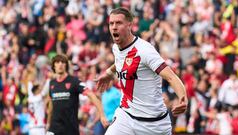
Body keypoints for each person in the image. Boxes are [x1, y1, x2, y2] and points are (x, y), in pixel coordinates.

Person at [96, 7, 188, 135]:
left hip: (154, 124)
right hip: (126, 116)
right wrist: (109, 74)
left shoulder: (144, 50)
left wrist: (183, 97)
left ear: (130, 25)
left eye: (119, 23)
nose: (114, 27)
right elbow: (120, 62)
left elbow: (171, 77)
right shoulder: (116, 48)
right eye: (111, 23)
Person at [46, 54, 108, 135]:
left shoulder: (74, 81)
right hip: (54, 128)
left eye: (63, 62)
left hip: (70, 129)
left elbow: (92, 95)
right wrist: (48, 122)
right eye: (57, 62)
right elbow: (51, 104)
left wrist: (102, 115)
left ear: (66, 65)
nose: (60, 64)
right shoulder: (52, 83)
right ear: (53, 66)